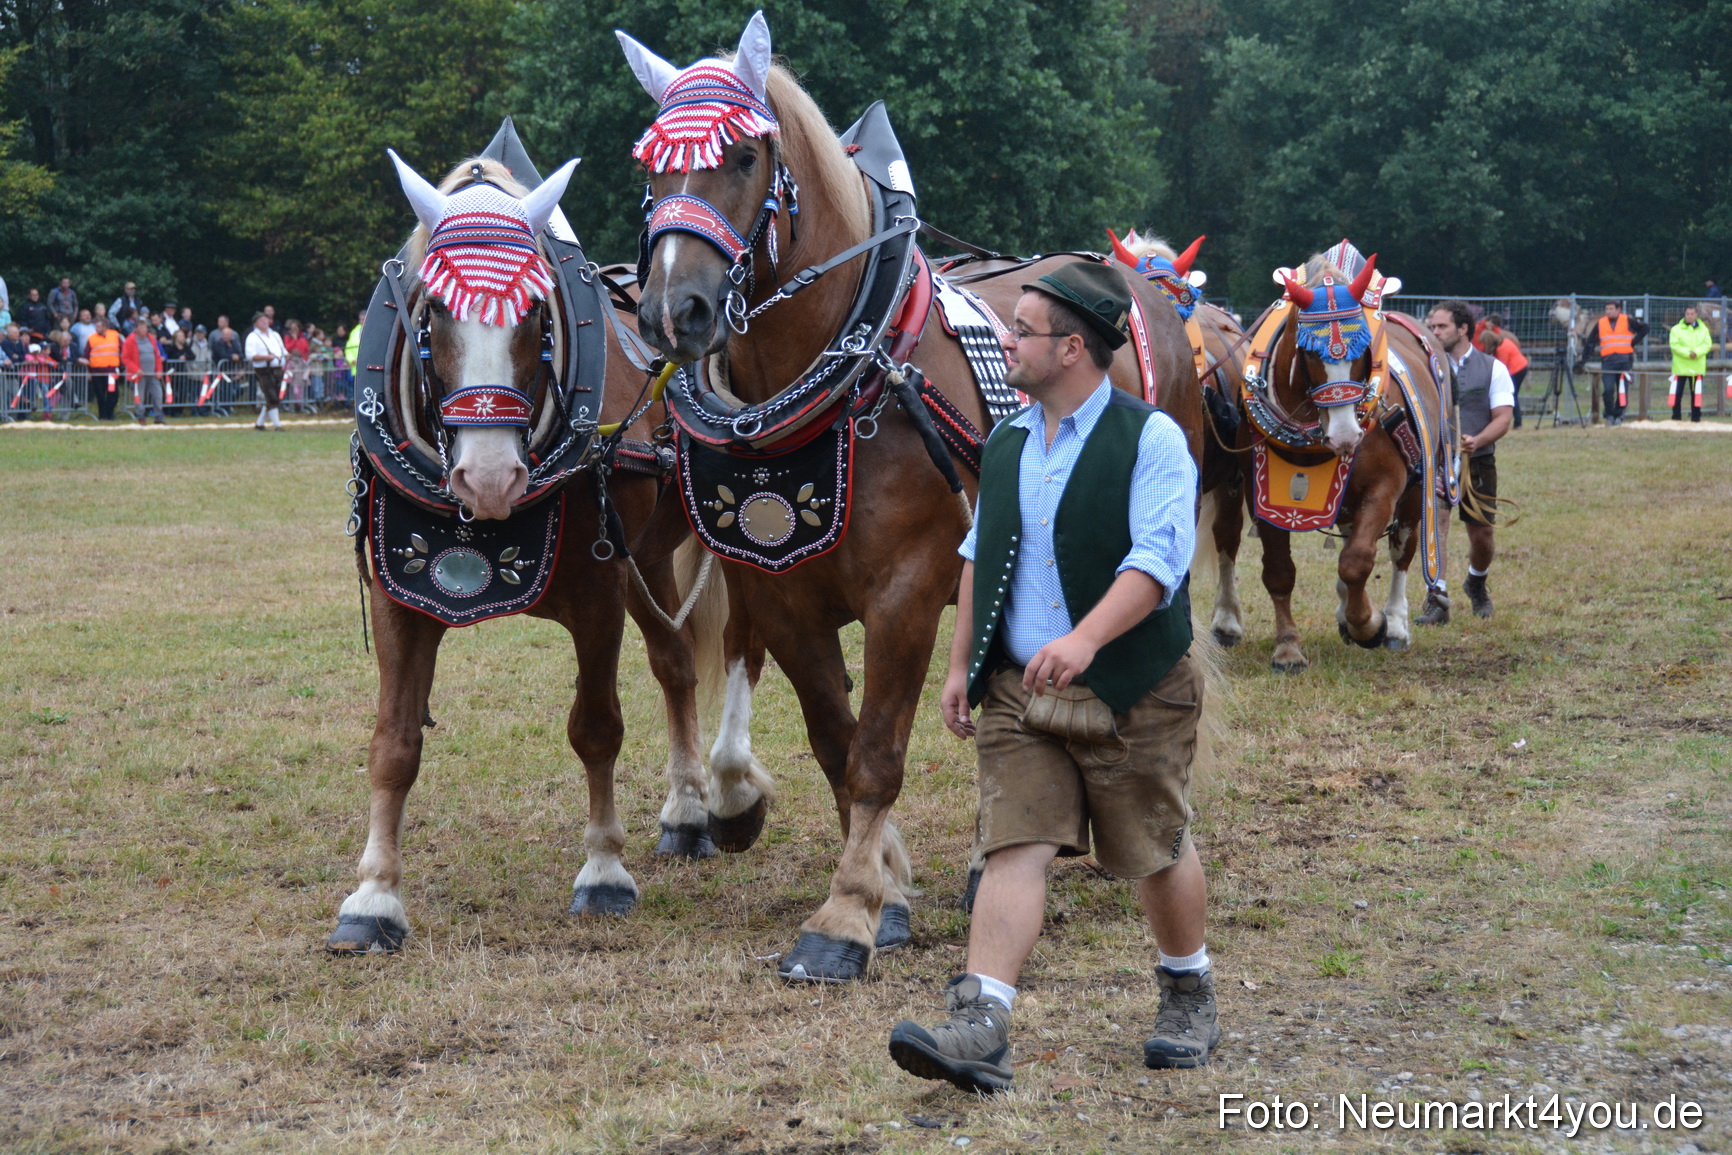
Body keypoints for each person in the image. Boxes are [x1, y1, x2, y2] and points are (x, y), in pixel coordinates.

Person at [887, 262, 1214, 1094]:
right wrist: (960, 664)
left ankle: (1187, 988)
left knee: (1153, 847)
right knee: (1014, 843)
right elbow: (979, 551)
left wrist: (1086, 638)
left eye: (1022, 330)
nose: (1004, 341)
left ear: (1072, 348)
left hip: (1133, 686)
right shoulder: (1006, 440)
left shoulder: (1151, 439)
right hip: (1019, 693)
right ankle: (982, 1024)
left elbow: (1159, 562)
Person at [1418, 300, 1514, 624]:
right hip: (1437, 462)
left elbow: (1503, 418)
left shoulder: (1492, 368)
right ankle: (1437, 599)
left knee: (1482, 535)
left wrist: (1478, 440)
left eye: (1441, 326)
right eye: (1432, 326)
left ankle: (1476, 581)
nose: (1434, 332)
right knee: (1437, 527)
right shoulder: (1425, 367)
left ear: (1462, 329)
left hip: (1478, 461)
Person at [1582, 301, 1646, 425]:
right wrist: (1583, 360)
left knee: (1622, 390)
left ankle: (1619, 414)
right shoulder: (1601, 323)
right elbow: (1591, 342)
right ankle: (1609, 414)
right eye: (1607, 309)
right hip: (1608, 362)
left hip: (1625, 361)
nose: (1609, 311)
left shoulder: (1627, 320)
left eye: (1611, 309)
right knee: (1608, 389)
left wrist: (1634, 341)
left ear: (1618, 310)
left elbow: (1645, 328)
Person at [1478, 314, 1529, 428]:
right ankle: (1517, 422)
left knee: (1512, 395)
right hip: (1521, 366)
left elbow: (1501, 368)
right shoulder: (1503, 341)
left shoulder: (1502, 349)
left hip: (1517, 369)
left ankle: (1518, 423)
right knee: (1513, 394)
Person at [1669, 305, 1712, 422]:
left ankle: (1696, 418)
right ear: (1685, 314)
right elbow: (1674, 345)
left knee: (1696, 394)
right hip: (1680, 368)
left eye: (1692, 314)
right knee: (1677, 394)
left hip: (1697, 368)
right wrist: (1688, 354)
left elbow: (1707, 344)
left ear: (1696, 314)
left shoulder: (1704, 329)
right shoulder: (1676, 329)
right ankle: (1676, 418)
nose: (1690, 316)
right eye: (1688, 314)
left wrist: (1696, 353)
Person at [122, 314, 168, 424]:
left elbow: (157, 356)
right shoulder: (130, 340)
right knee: (139, 397)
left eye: (145, 326)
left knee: (158, 394)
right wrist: (136, 370)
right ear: (136, 328)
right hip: (139, 375)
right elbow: (125, 358)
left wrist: (159, 370)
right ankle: (141, 416)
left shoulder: (151, 338)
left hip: (152, 373)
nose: (144, 329)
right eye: (141, 326)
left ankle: (159, 417)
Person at [245, 310, 287, 430]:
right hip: (263, 370)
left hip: (277, 369)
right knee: (271, 396)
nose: (265, 322)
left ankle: (259, 424)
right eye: (261, 320)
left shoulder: (275, 335)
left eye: (266, 320)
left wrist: (287, 355)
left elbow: (282, 349)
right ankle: (277, 425)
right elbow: (250, 356)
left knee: (273, 397)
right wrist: (266, 357)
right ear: (256, 323)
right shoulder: (252, 337)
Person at [82, 315, 124, 420]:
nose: (96, 329)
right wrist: (88, 371)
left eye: (99, 327)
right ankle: (103, 415)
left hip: (111, 371)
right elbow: (87, 354)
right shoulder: (92, 338)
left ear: (105, 327)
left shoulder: (115, 335)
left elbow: (123, 349)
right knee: (100, 395)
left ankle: (109, 413)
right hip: (97, 372)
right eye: (96, 327)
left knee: (113, 394)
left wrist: (121, 365)